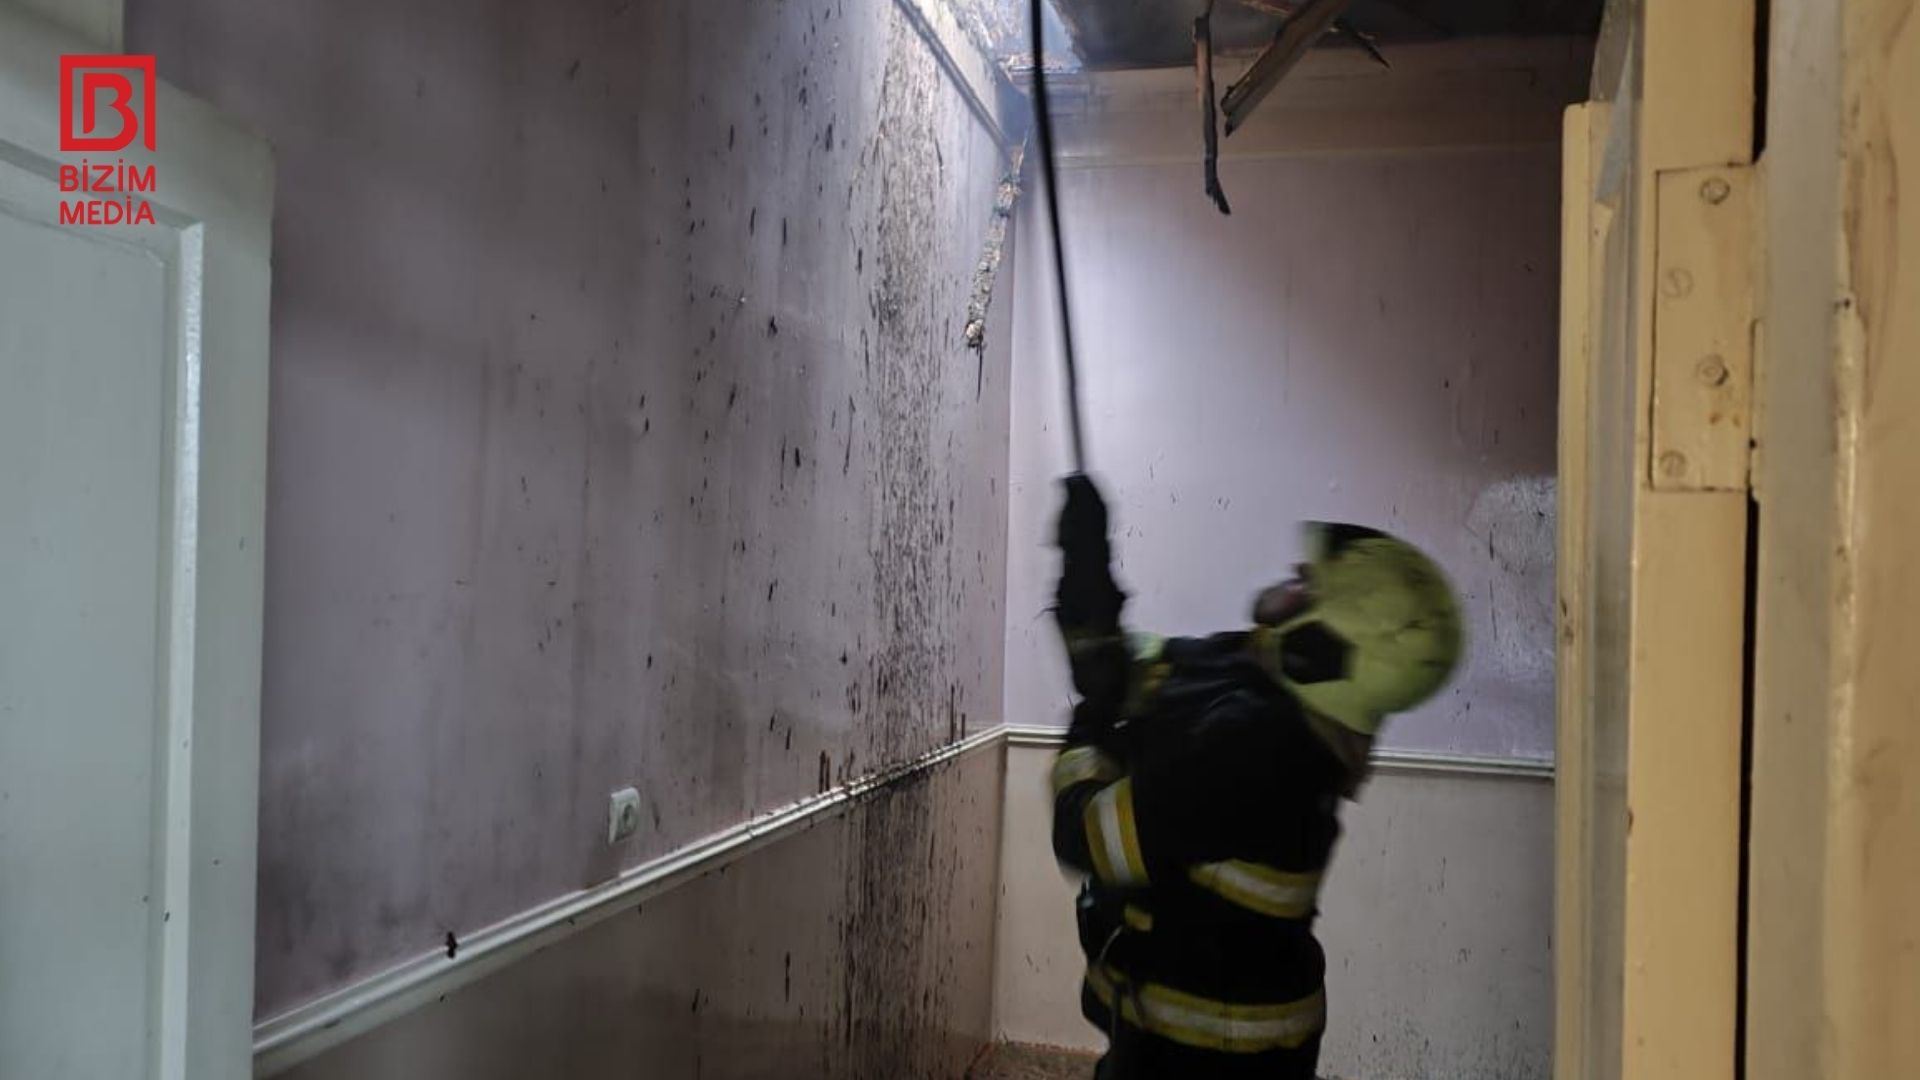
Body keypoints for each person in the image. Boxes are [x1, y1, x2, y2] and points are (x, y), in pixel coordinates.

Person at [1046, 474, 1464, 1079]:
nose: (1293, 576)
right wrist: (1088, 580)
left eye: (1308, 585)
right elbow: (1132, 672)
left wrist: (1088, 726)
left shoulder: (1261, 752)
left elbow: (1084, 835)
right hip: (1180, 1032)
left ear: (1325, 647)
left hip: (1207, 1055)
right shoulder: (1262, 680)